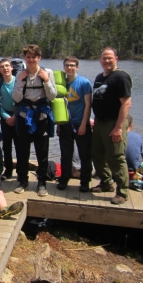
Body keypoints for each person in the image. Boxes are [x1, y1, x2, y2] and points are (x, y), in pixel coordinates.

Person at [12, 44, 57, 197]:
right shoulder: (20, 74)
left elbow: (52, 96)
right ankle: (23, 181)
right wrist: (20, 82)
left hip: (41, 117)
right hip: (25, 117)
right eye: (28, 57)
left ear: (39, 58)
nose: (31, 60)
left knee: (42, 152)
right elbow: (16, 98)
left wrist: (46, 81)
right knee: (23, 151)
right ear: (25, 58)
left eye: (34, 57)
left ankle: (42, 183)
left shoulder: (47, 72)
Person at [91, 47, 132, 205]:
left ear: (116, 59)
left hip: (114, 122)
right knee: (97, 154)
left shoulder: (121, 77)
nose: (107, 61)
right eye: (104, 58)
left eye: (110, 58)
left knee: (116, 157)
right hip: (99, 122)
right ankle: (106, 183)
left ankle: (122, 191)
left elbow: (126, 104)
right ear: (100, 60)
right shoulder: (100, 77)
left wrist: (118, 127)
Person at [57, 56, 93, 192]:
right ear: (64, 67)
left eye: (72, 65)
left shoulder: (84, 83)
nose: (69, 68)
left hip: (81, 124)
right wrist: (59, 125)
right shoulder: (62, 85)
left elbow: (88, 104)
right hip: (65, 124)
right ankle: (64, 179)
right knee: (66, 154)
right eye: (67, 65)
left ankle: (85, 181)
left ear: (77, 67)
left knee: (85, 154)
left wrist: (84, 124)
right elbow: (59, 105)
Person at [0, 58, 20, 181]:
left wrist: (15, 116)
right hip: (6, 117)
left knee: (21, 145)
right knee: (7, 146)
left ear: (12, 67)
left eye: (7, 66)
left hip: (19, 116)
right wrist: (6, 116)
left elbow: (22, 101)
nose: (5, 68)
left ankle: (21, 170)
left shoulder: (19, 82)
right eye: (2, 66)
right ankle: (8, 170)